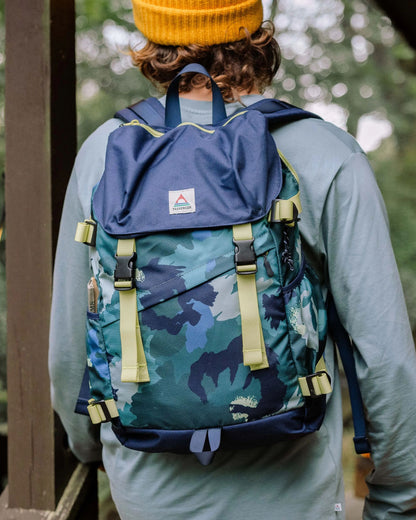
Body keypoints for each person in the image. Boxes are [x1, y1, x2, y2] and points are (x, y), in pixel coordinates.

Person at [49, 1, 416, 518]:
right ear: (254, 30)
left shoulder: (103, 154)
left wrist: (95, 447)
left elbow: (69, 353)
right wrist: (397, 496)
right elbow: (385, 356)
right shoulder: (325, 152)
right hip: (297, 498)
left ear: (151, 36)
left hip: (149, 496)